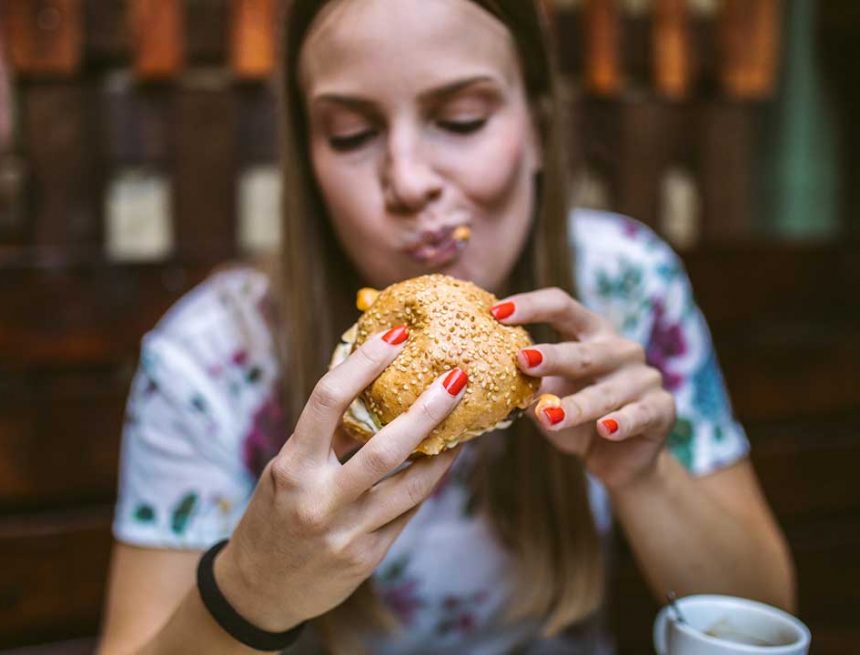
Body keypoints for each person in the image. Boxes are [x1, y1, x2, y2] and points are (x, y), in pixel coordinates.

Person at [96, 1, 795, 653]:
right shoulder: (210, 358)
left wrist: (646, 478)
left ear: (541, 132)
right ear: (308, 166)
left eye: (461, 119)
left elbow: (763, 614)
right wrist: (250, 588)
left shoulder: (627, 284)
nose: (407, 179)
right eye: (353, 134)